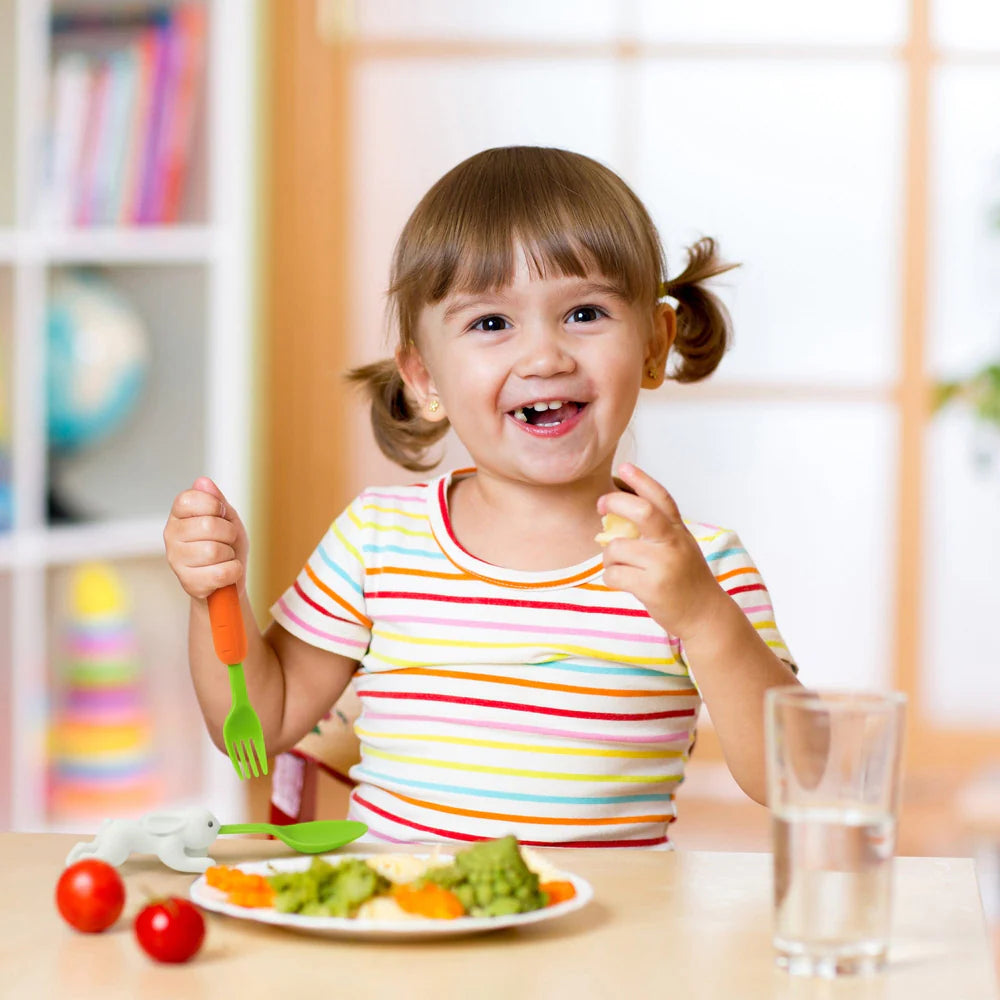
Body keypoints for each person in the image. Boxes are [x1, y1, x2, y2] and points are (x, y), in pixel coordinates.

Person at [165, 146, 800, 848]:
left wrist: (705, 617)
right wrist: (212, 598)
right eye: (492, 324)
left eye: (585, 313)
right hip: (408, 928)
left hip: (607, 947)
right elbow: (260, 724)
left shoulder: (695, 564)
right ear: (424, 375)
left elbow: (798, 779)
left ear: (654, 345)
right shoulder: (378, 538)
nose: (544, 357)